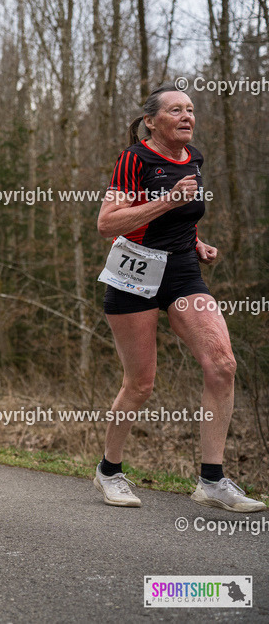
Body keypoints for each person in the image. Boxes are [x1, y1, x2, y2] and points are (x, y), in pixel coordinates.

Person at [94, 85, 265, 512]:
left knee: (222, 364)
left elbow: (181, 219)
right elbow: (107, 222)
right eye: (175, 110)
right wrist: (167, 201)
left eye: (191, 109)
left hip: (183, 271)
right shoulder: (135, 159)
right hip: (134, 271)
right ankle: (109, 472)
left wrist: (197, 242)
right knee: (140, 384)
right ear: (152, 121)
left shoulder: (195, 159)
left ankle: (212, 480)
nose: (187, 116)